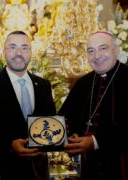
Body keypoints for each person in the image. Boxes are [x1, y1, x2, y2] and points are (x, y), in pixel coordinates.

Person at [0, 30, 56, 180]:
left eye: (24, 48)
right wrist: (9, 145)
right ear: (4, 51)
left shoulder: (43, 85)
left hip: (37, 171)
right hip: (0, 170)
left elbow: (51, 122)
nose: (18, 53)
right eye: (12, 47)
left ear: (30, 52)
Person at [59, 31, 128, 180]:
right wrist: (72, 135)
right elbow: (65, 118)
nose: (96, 56)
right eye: (91, 51)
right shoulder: (83, 83)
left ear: (116, 50)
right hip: (85, 170)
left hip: (120, 168)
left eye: (103, 48)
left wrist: (95, 142)